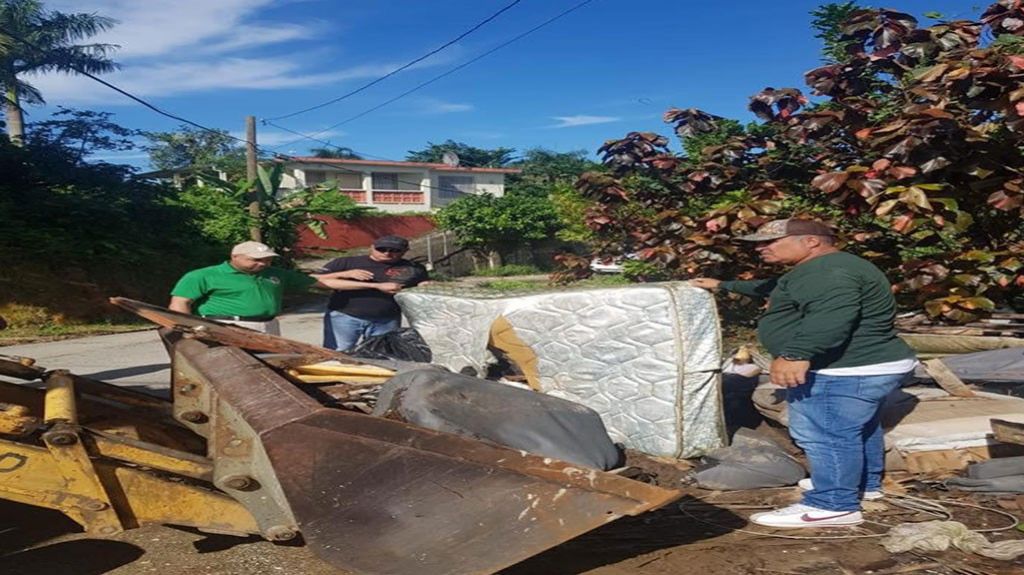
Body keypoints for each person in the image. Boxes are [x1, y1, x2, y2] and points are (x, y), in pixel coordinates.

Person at [689, 218, 916, 529]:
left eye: (769, 242)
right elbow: (776, 288)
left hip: (846, 369)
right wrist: (723, 285)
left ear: (811, 241)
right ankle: (863, 485)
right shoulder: (820, 269)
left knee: (826, 433)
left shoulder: (831, 273)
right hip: (864, 365)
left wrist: (795, 354)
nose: (761, 248)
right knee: (856, 428)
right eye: (758, 243)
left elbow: (832, 317)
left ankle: (833, 503)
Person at [169, 241, 365, 335]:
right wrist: (188, 330)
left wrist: (376, 286)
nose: (263, 264)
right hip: (225, 326)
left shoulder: (275, 273)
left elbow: (320, 283)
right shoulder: (203, 275)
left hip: (268, 325)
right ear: (234, 257)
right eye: (256, 260)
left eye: (267, 260)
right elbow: (180, 303)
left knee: (265, 369)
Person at [321, 235, 428, 351]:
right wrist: (344, 274)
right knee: (338, 353)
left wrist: (426, 286)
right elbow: (315, 280)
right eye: (382, 249)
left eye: (395, 250)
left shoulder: (414, 268)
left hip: (387, 319)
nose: (387, 253)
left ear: (405, 251)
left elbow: (421, 286)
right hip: (346, 317)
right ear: (372, 247)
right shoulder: (345, 262)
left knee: (382, 355)